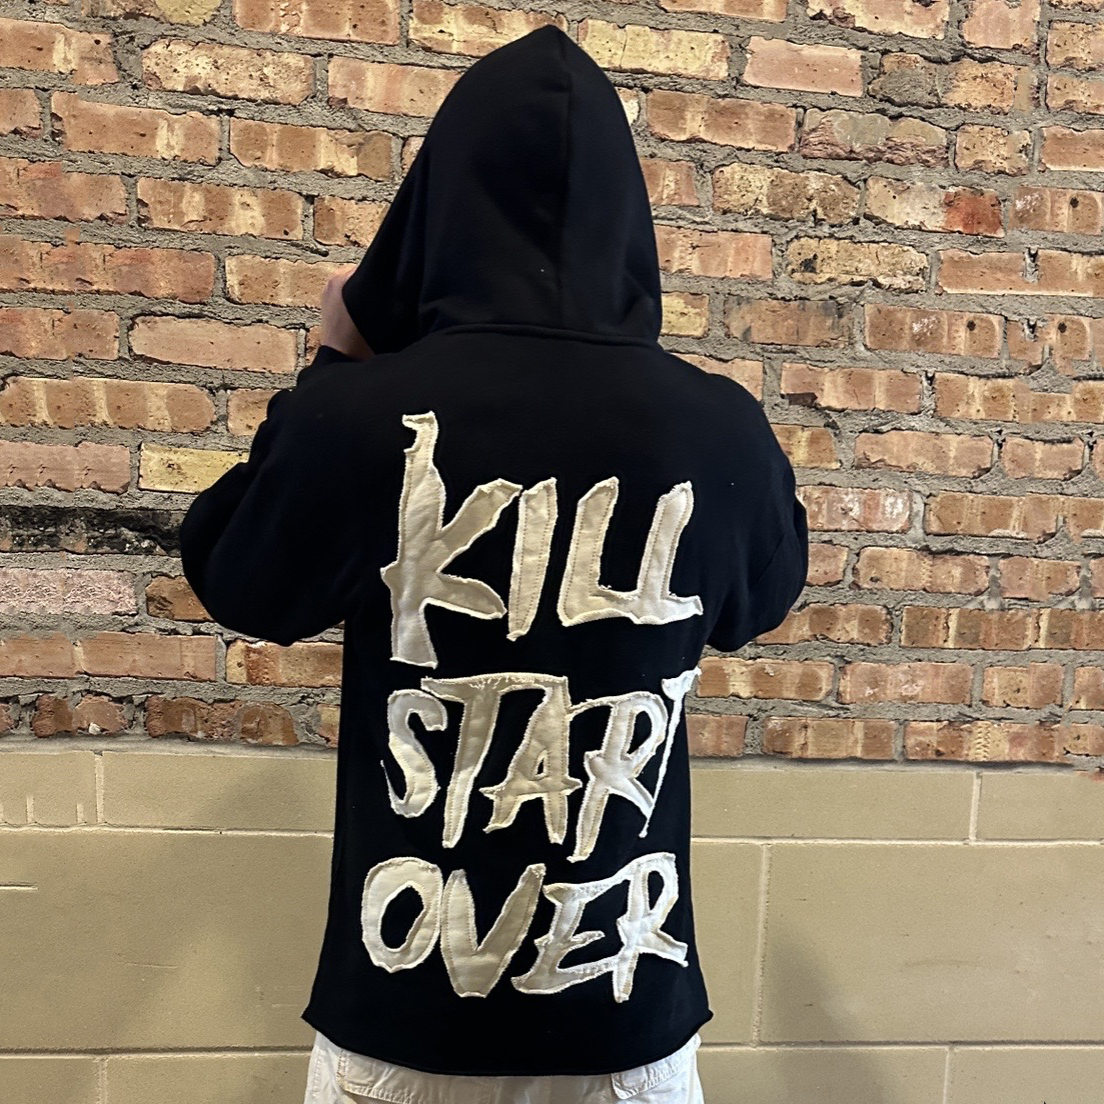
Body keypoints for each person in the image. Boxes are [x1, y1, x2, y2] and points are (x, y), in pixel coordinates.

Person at [178, 23, 808, 1104]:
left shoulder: (365, 417)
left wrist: (333, 363)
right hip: (625, 1012)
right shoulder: (719, 430)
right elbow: (762, 599)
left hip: (409, 1016)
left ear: (437, 205)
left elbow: (241, 577)